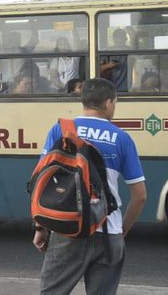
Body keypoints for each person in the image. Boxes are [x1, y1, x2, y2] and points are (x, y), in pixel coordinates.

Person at [33, 78, 147, 295]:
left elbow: (40, 180)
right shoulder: (122, 139)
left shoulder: (60, 130)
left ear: (83, 102)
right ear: (108, 103)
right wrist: (120, 232)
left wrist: (40, 228)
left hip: (68, 230)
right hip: (109, 233)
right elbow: (140, 196)